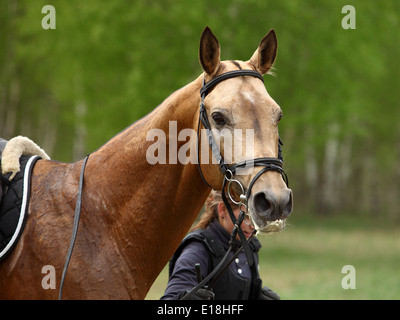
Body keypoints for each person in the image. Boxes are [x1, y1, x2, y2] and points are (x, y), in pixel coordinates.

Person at [161, 190, 280, 300]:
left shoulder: (248, 246)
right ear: (222, 209)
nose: (253, 226)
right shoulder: (197, 250)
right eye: (248, 217)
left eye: (258, 218)